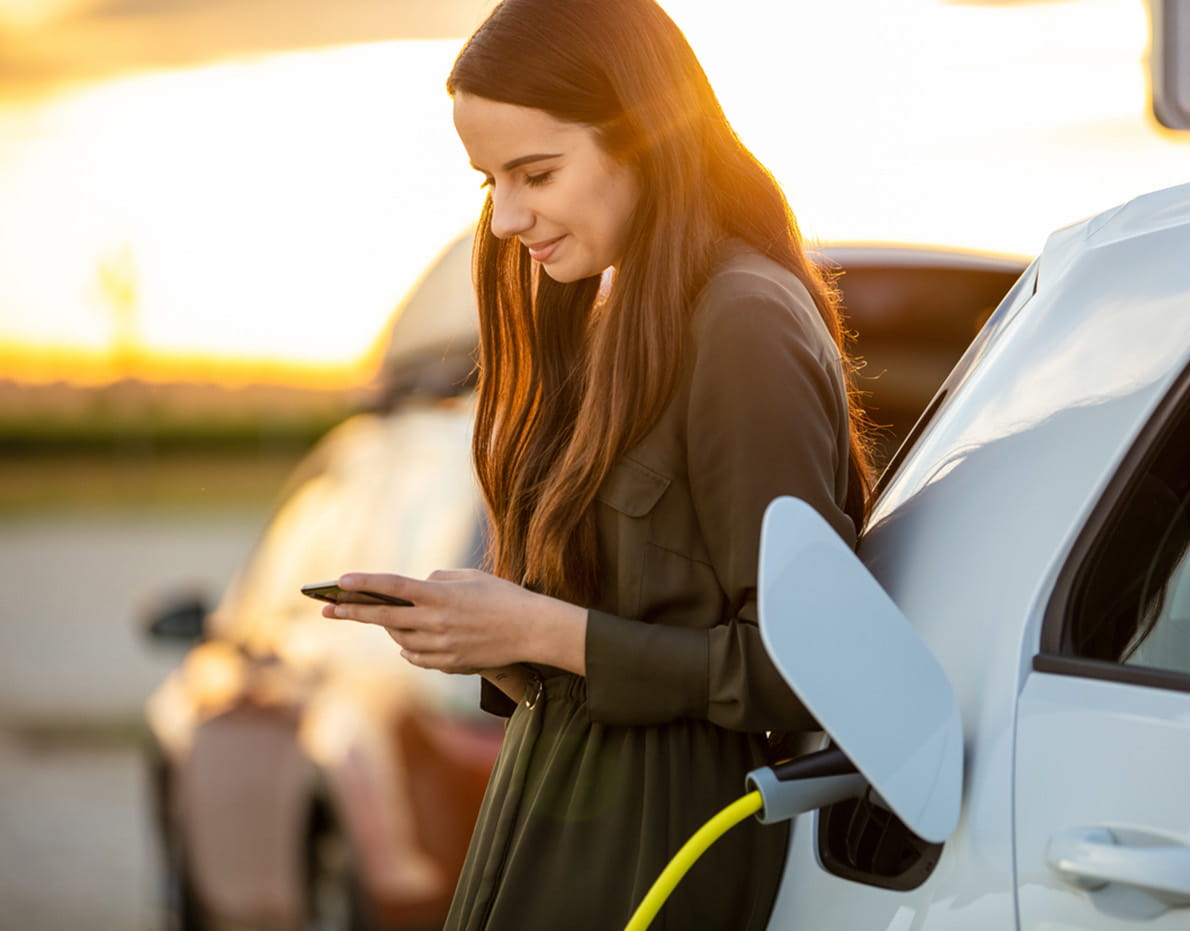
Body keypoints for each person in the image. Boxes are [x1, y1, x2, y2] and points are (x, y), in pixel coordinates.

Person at [324, 0, 873, 926]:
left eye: (535, 173)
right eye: (490, 181)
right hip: (560, 820)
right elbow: (621, 640)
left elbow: (800, 669)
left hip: (669, 845)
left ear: (648, 139)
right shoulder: (621, 319)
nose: (505, 220)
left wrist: (540, 630)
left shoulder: (741, 321)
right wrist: (483, 636)